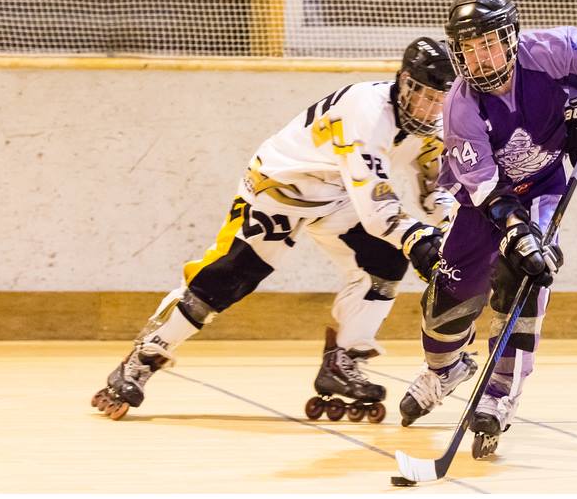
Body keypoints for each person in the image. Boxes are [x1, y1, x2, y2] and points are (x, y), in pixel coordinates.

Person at [92, 37, 457, 422]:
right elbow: (379, 210)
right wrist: (420, 238)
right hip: (279, 187)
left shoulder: (434, 125)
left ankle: (343, 361)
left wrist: (455, 231)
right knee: (228, 277)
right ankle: (143, 357)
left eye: (440, 100)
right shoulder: (366, 115)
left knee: (383, 262)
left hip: (337, 193)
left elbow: (439, 187)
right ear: (403, 82)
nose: (430, 108)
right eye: (424, 95)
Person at [398, 0, 577, 458]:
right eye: (468, 48)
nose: (479, 57)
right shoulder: (461, 105)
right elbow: (486, 190)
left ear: (511, 37)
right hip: (484, 201)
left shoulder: (552, 51)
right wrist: (516, 231)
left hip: (545, 184)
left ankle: (501, 394)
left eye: (488, 42)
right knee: (444, 308)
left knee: (527, 277)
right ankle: (444, 370)